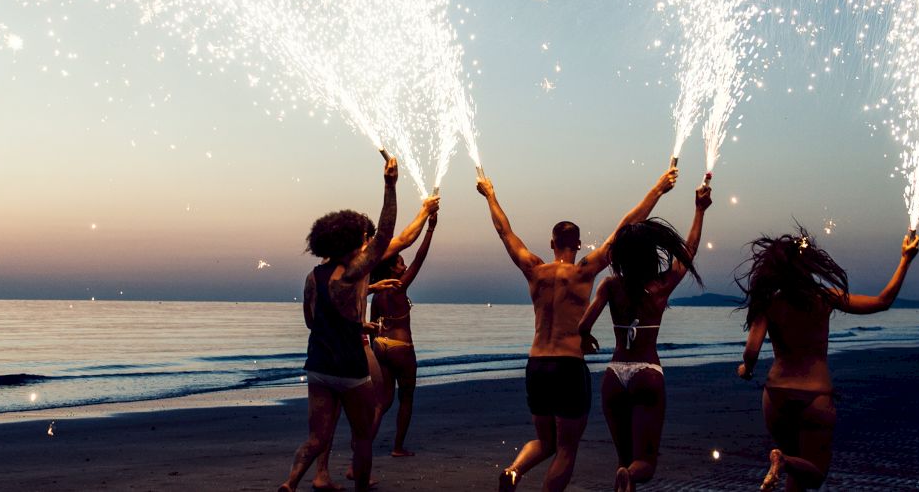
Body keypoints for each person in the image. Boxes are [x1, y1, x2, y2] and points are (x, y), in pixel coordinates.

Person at [477, 161, 679, 492]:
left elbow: (505, 231)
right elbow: (625, 227)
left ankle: (513, 471)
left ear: (552, 242)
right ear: (579, 244)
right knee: (567, 448)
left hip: (537, 363)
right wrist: (658, 189)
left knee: (545, 441)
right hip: (568, 365)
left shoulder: (534, 269)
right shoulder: (585, 272)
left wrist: (490, 195)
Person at [280, 151, 439, 492]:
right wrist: (392, 187)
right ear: (353, 242)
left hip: (318, 365)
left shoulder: (314, 276)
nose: (367, 243)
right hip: (350, 367)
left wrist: (358, 318)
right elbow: (391, 235)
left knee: (316, 436)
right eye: (361, 240)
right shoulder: (355, 270)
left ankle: (292, 482)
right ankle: (361, 486)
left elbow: (311, 321)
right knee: (363, 434)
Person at [737, 227, 919, 491]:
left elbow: (751, 350)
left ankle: (785, 461)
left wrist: (746, 369)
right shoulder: (825, 297)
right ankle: (782, 461)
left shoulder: (769, 302)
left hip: (776, 395)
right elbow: (882, 301)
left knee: (798, 474)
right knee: (814, 474)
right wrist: (905, 260)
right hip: (815, 395)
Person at [575, 179, 711, 492]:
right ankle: (630, 477)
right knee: (644, 466)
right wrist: (699, 210)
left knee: (624, 459)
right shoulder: (661, 286)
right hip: (646, 373)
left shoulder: (610, 285)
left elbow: (583, 326)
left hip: (614, 374)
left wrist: (585, 340)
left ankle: (625, 475)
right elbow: (688, 251)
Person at [368, 212, 437, 457]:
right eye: (400, 263)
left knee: (383, 401)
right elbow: (420, 259)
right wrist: (430, 230)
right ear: (392, 268)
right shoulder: (398, 286)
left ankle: (364, 443)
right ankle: (397, 447)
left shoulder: (375, 294)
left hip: (380, 347)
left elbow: (371, 326)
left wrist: (370, 351)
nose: (405, 266)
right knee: (406, 398)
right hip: (400, 348)